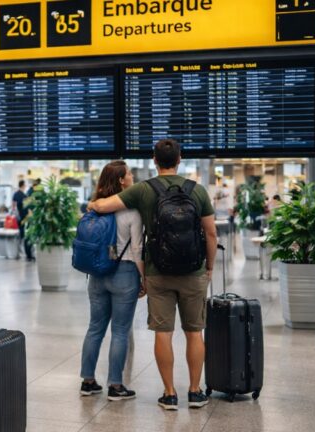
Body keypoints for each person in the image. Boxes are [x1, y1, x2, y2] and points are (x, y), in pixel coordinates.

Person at [87, 139, 218, 411]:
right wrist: (209, 267)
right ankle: (195, 392)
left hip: (158, 272)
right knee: (195, 332)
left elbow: (103, 206)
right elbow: (211, 233)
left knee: (164, 332)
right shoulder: (198, 191)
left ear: (154, 160)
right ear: (180, 159)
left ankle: (169, 394)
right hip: (193, 271)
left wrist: (93, 205)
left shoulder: (143, 190)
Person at [80, 161, 144, 401]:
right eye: (129, 173)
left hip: (97, 274)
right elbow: (137, 249)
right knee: (120, 331)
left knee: (95, 328)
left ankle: (88, 381)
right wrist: (144, 277)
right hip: (125, 273)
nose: (132, 176)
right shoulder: (132, 211)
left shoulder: (94, 209)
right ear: (121, 181)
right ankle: (115, 385)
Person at [11, 180, 34, 261]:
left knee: (20, 236)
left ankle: (19, 252)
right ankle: (24, 252)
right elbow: (28, 208)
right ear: (23, 185)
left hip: (19, 218)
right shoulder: (24, 195)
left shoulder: (16, 194)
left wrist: (14, 214)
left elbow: (13, 206)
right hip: (25, 218)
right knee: (24, 236)